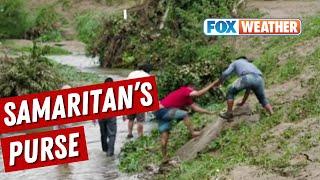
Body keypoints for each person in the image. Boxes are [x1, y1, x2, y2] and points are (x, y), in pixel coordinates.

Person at [155, 82, 217, 161]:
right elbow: (198, 94)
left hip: (158, 112)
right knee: (184, 114)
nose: (194, 91)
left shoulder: (187, 98)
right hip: (164, 110)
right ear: (191, 87)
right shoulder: (185, 89)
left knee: (165, 135)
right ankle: (193, 133)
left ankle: (164, 157)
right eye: (193, 89)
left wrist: (210, 112)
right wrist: (211, 85)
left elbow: (196, 108)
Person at [124, 63, 152, 138]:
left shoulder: (132, 73)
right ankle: (140, 136)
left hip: (130, 97)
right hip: (140, 99)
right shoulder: (147, 76)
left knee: (130, 118)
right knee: (140, 120)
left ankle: (129, 134)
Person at [97, 77, 117, 156]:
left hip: (101, 116)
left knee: (103, 134)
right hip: (111, 115)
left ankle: (105, 149)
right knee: (112, 134)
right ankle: (110, 152)